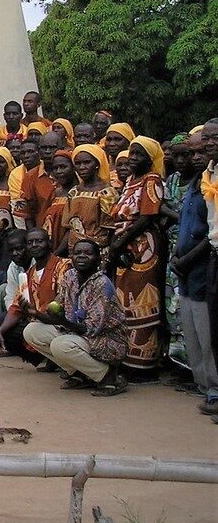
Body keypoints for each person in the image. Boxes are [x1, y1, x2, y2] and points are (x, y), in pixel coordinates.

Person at [22, 239, 128, 395]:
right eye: (77, 253)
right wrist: (35, 313)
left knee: (60, 345)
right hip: (77, 333)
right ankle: (79, 374)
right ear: (71, 257)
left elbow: (91, 329)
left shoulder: (102, 284)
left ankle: (108, 377)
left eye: (88, 253)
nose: (82, 257)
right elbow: (56, 311)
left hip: (107, 340)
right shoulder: (70, 277)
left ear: (98, 259)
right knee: (31, 331)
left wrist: (61, 320)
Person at [108, 136, 166, 376]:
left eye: (139, 154)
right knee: (125, 300)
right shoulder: (131, 180)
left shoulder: (152, 181)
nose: (132, 159)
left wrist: (120, 243)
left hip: (143, 247)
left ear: (150, 159)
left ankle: (144, 365)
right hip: (125, 247)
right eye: (131, 153)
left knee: (143, 301)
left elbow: (146, 217)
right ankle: (128, 360)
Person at [175, 133, 218, 414]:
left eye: (203, 150)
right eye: (195, 152)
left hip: (202, 265)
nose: (197, 157)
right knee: (191, 329)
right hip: (186, 269)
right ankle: (203, 385)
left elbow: (211, 233)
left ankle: (214, 389)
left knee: (207, 332)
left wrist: (188, 258)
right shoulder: (197, 183)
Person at [0, 227, 67, 365]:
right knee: (4, 326)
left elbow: (61, 306)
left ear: (50, 243)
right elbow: (16, 306)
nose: (34, 245)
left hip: (62, 324)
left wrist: (35, 315)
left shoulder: (63, 266)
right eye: (30, 242)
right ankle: (50, 361)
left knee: (30, 330)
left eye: (39, 241)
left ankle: (64, 365)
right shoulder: (29, 274)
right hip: (39, 322)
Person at [62, 144, 117, 256]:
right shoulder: (73, 192)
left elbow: (112, 230)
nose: (82, 167)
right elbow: (70, 228)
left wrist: (111, 257)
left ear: (97, 164)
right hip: (75, 252)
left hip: (98, 253)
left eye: (87, 162)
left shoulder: (107, 193)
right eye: (78, 163)